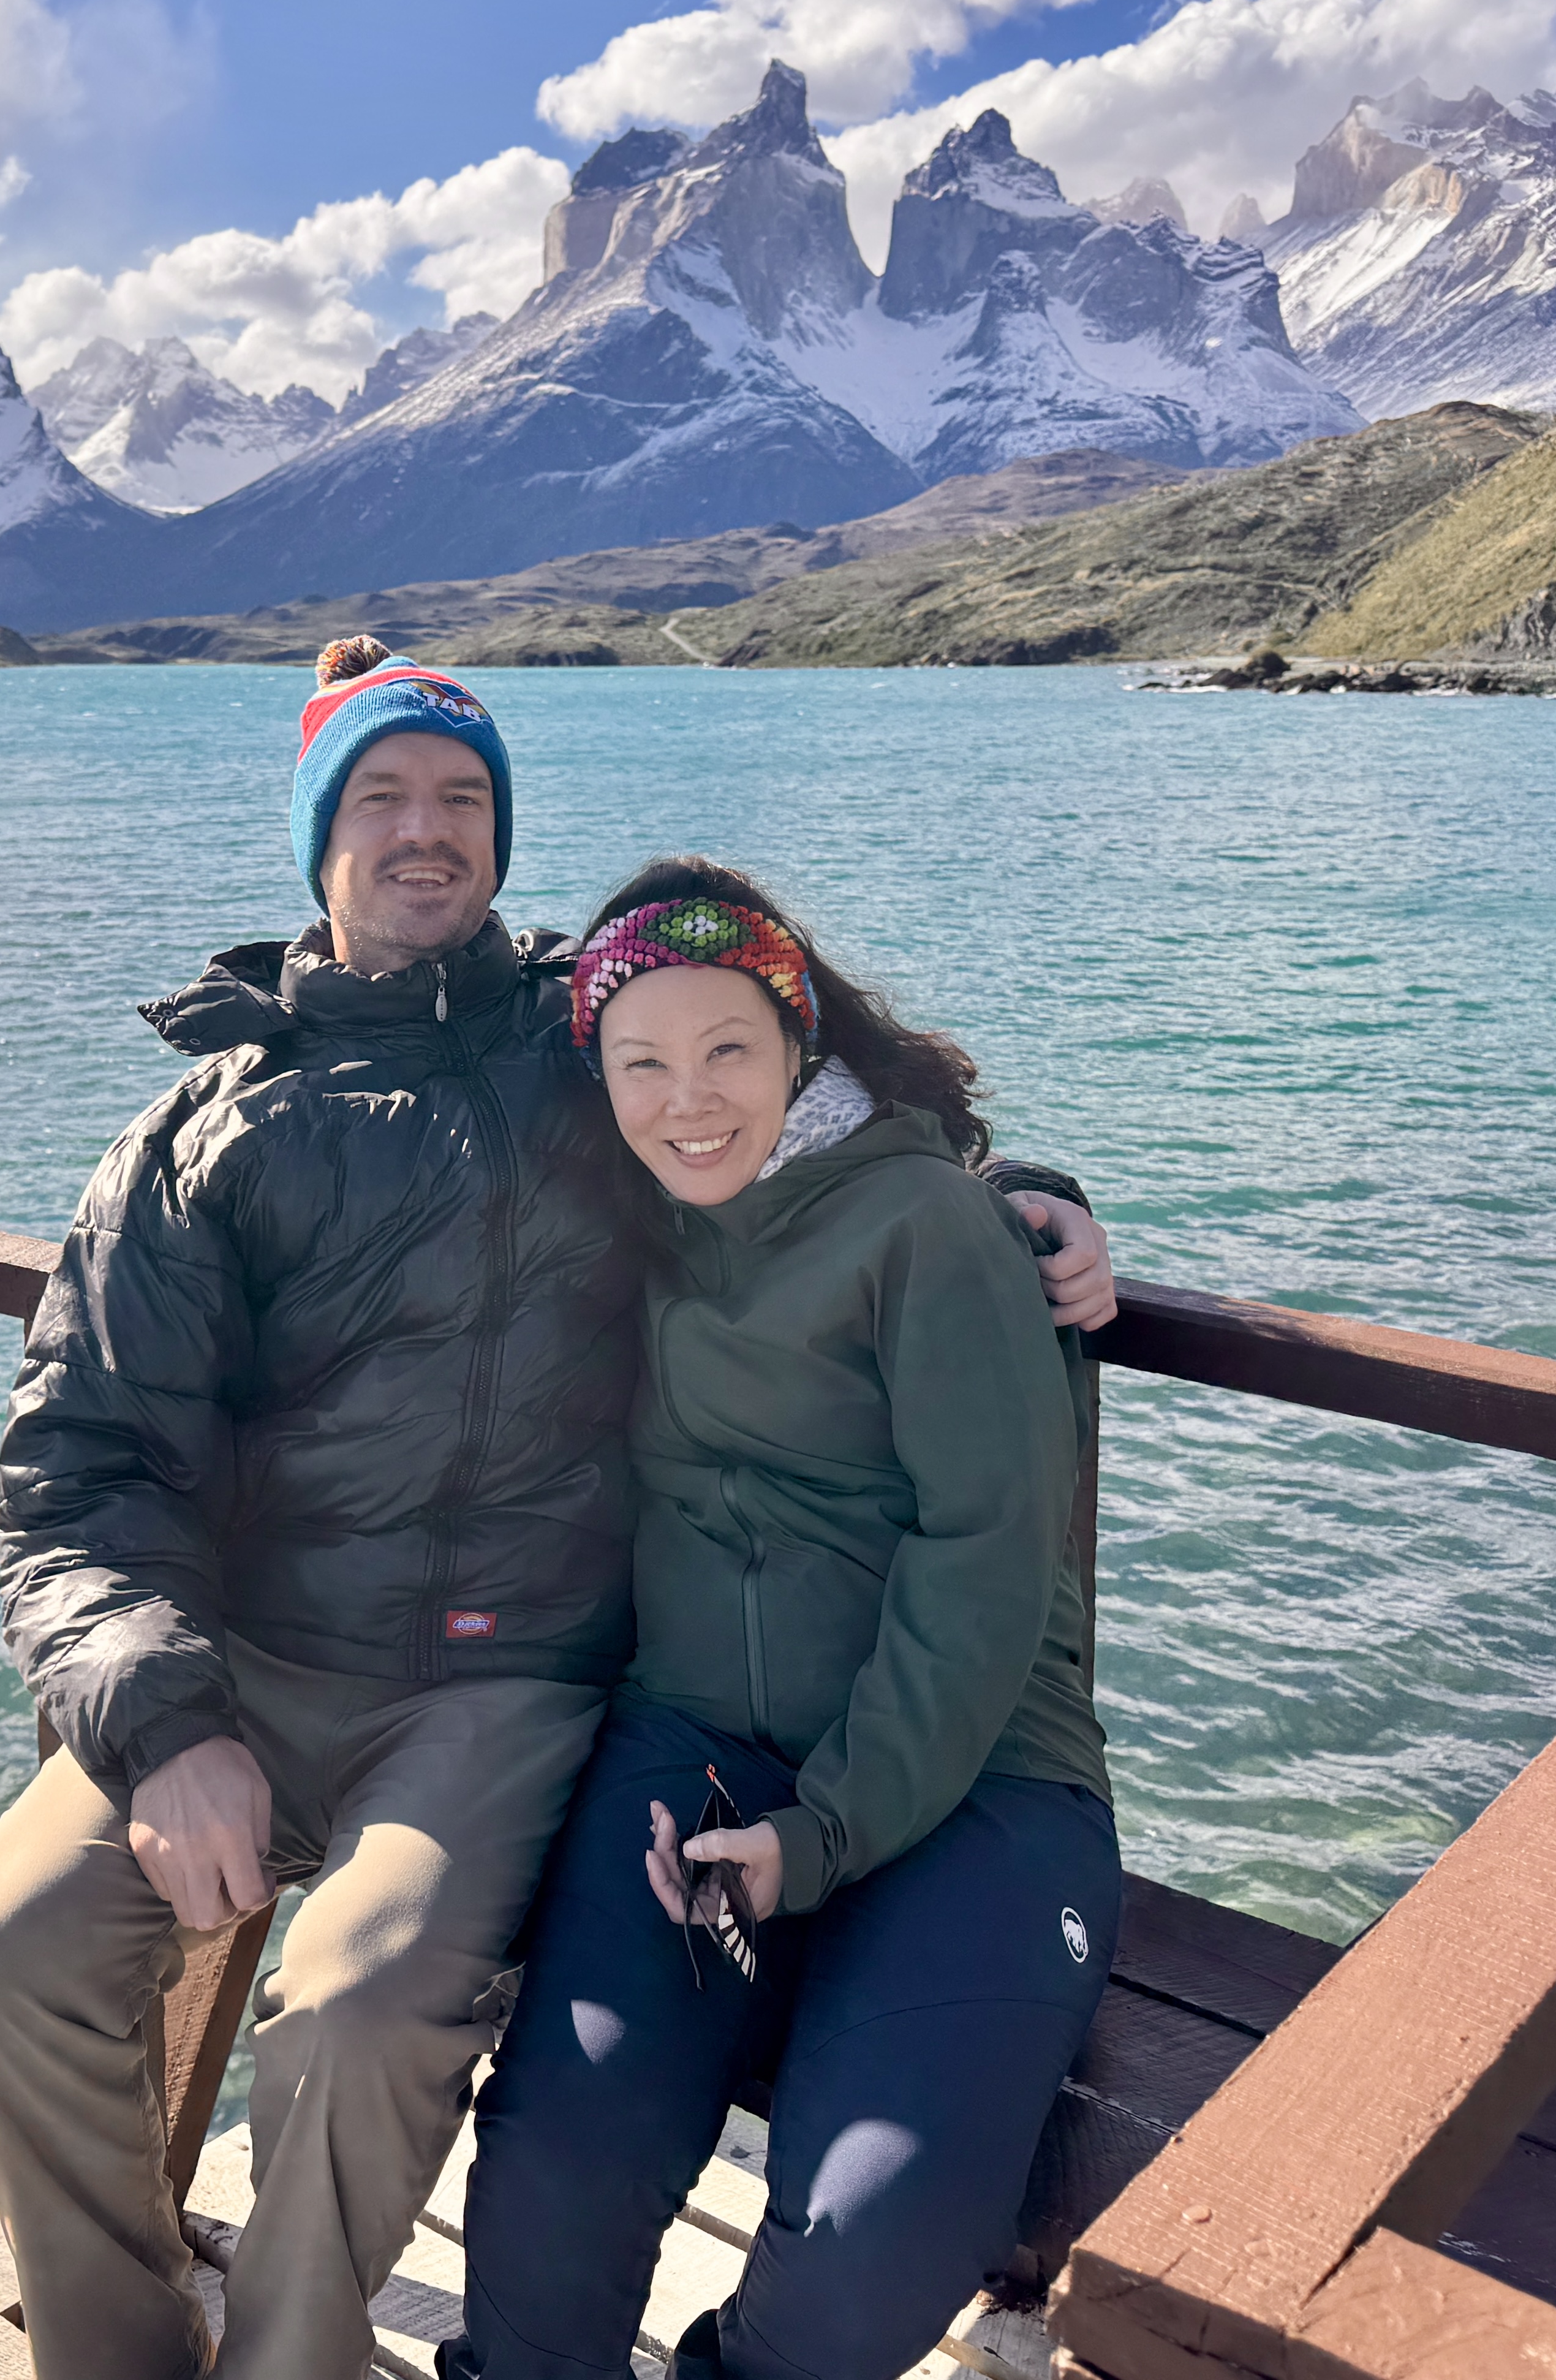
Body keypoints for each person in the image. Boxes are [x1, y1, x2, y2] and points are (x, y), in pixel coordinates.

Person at [0, 643, 1116, 2380]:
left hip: (502, 1678)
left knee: (357, 2003)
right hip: (245, 1666)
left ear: (498, 831)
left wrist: (1024, 1199)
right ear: (316, 835)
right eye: (380, 794)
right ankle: (118, 2352)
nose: (425, 828)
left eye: (460, 795)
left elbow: (808, 1114)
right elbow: (76, 1465)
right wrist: (163, 1719)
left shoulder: (576, 1043)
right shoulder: (195, 1134)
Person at [441, 860, 1115, 2380]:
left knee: (868, 2239)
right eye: (641, 1061)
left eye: (727, 1048)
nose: (688, 1098)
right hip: (695, 1750)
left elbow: (983, 1560)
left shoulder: (929, 1230)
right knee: (555, 2162)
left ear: (800, 1043)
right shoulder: (621, 1216)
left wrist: (818, 1835)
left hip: (978, 1782)